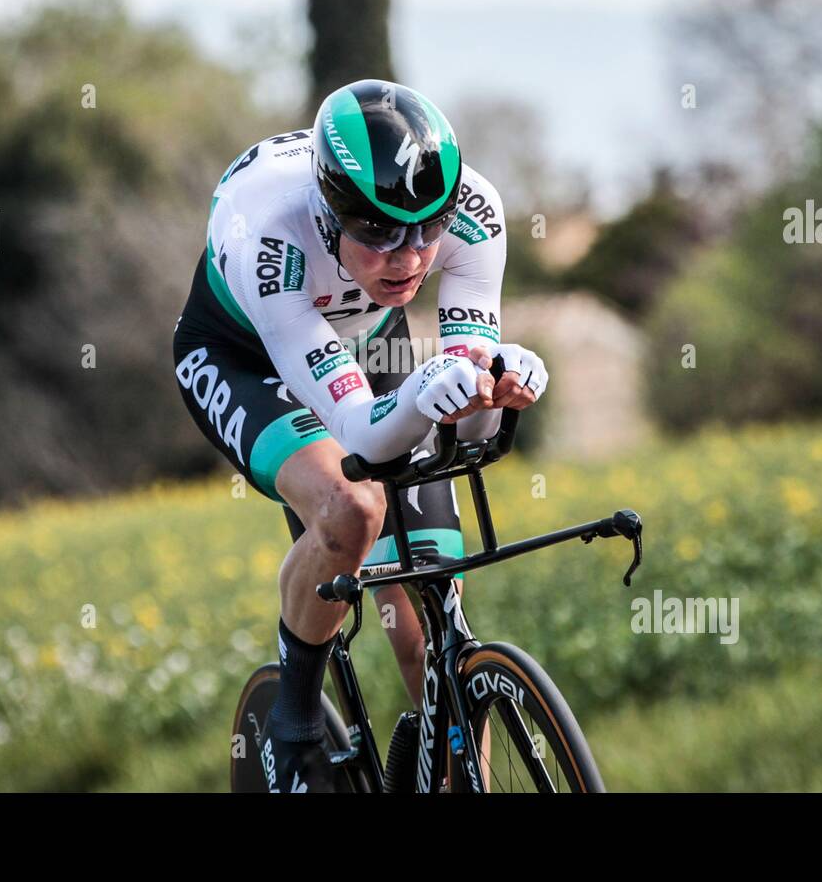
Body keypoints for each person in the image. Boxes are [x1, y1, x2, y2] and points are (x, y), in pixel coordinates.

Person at [173, 79, 548, 792]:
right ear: (329, 212)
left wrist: (495, 390)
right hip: (244, 354)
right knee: (352, 507)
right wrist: (419, 396)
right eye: (378, 234)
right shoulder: (270, 235)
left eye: (425, 232)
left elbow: (470, 424)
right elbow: (362, 439)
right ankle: (293, 717)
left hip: (371, 344)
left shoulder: (474, 213)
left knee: (429, 620)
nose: (407, 258)